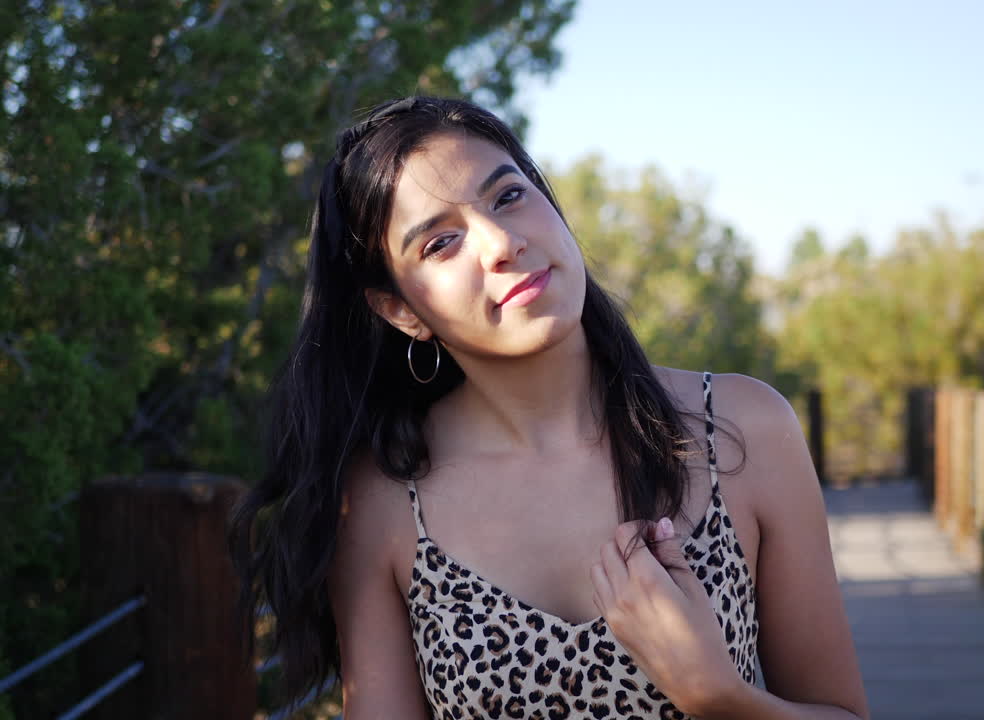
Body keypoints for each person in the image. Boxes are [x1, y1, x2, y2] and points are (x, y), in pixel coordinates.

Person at [229, 95, 869, 719]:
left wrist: (720, 700)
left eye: (507, 196)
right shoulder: (385, 501)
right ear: (400, 310)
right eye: (441, 243)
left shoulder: (741, 428)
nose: (502, 242)